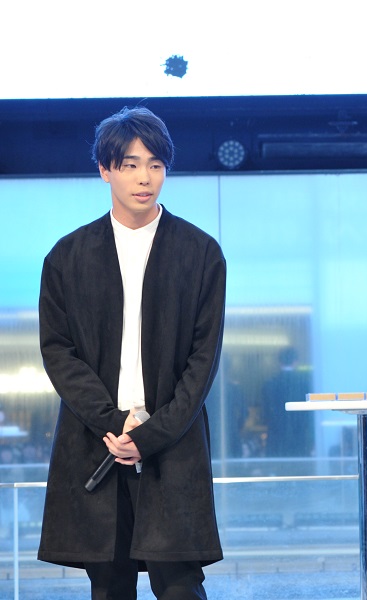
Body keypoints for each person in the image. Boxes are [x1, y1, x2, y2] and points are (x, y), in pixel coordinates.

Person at [38, 106, 226, 599]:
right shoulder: (67, 256)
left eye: (156, 165)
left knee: (181, 585)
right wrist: (113, 421)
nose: (145, 178)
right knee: (108, 585)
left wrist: (150, 434)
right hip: (97, 438)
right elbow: (58, 352)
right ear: (105, 170)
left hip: (173, 441)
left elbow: (203, 361)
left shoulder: (200, 252)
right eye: (130, 164)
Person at [261, 347, 314, 457]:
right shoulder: (305, 383)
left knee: (278, 462)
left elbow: (265, 413)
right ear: (296, 362)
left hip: (277, 433)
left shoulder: (270, 383)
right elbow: (310, 412)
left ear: (279, 362)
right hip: (299, 434)